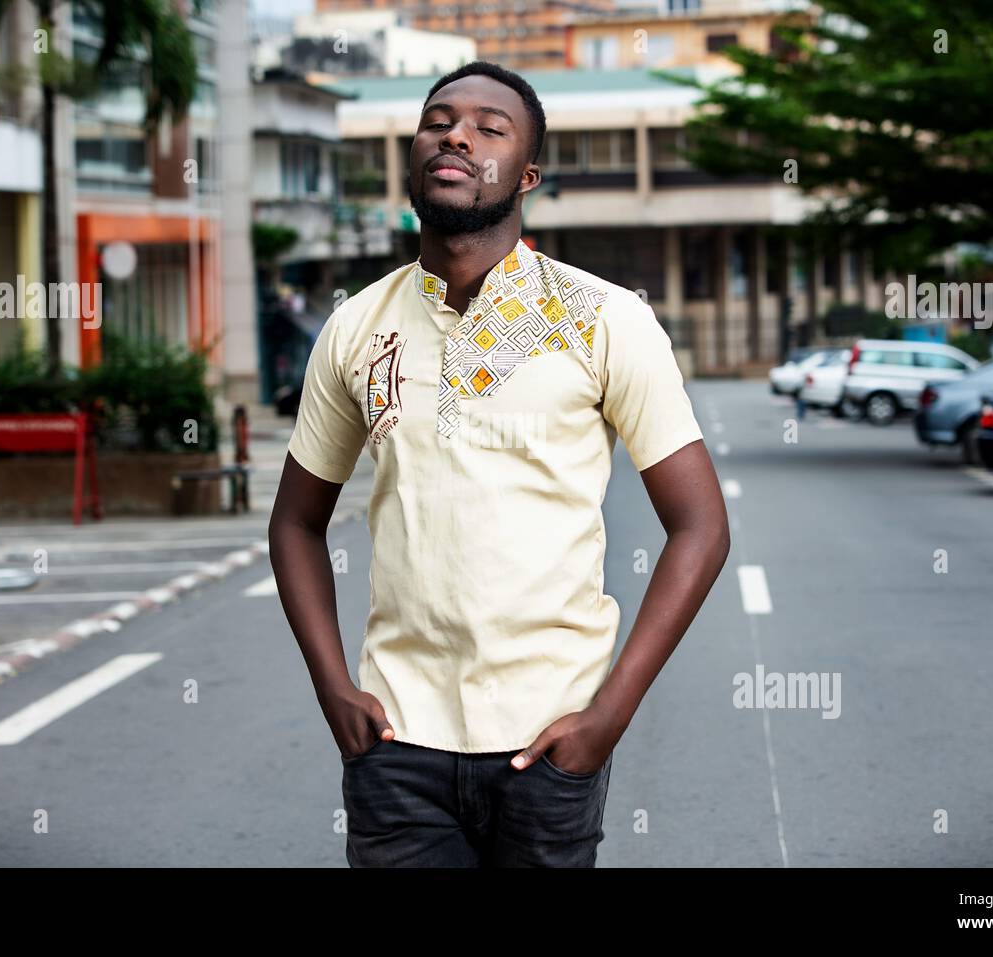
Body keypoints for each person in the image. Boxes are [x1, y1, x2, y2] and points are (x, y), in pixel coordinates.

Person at [268, 61, 731, 867]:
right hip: (396, 744)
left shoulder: (603, 318)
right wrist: (334, 690)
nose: (455, 134)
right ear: (413, 155)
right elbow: (297, 523)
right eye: (438, 120)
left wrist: (607, 717)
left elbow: (700, 527)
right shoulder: (353, 329)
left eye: (489, 127)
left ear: (527, 175)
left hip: (548, 739)